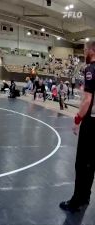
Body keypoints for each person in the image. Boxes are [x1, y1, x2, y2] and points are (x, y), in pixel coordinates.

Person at [60, 41, 95, 212]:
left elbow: (87, 100)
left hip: (91, 122)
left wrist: (77, 120)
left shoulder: (91, 69)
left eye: (85, 50)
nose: (84, 54)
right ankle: (86, 196)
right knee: (92, 162)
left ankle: (76, 201)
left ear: (91, 51)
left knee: (81, 163)